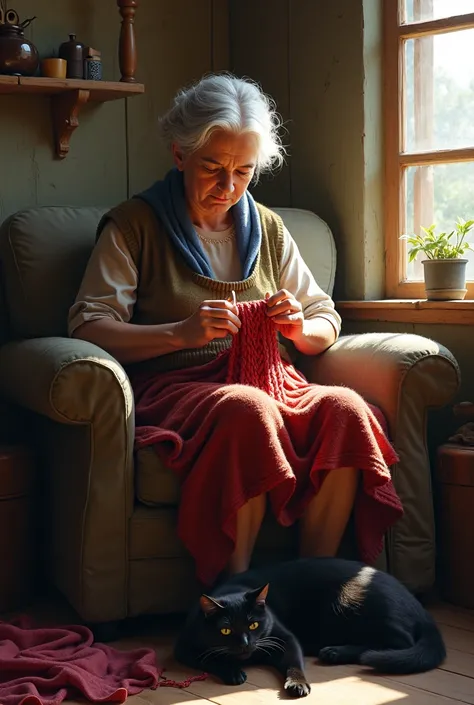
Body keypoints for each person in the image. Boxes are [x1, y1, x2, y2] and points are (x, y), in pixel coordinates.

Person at [68, 72, 402, 587]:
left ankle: (306, 589)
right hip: (180, 390)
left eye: (243, 172)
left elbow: (325, 319)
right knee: (249, 408)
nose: (228, 188)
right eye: (213, 168)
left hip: (275, 381)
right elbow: (89, 327)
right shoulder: (134, 226)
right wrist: (178, 333)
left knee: (346, 409)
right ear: (180, 155)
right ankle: (232, 598)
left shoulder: (267, 227)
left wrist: (297, 328)